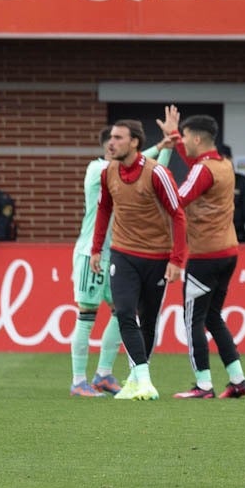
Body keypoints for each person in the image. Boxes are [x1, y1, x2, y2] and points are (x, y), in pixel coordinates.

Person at [71, 121, 174, 397]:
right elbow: (135, 162)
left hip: (117, 252)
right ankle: (78, 380)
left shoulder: (129, 173)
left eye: (117, 139)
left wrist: (168, 148)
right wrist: (158, 145)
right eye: (111, 140)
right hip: (89, 253)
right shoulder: (98, 169)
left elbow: (151, 172)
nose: (112, 144)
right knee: (86, 315)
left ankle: (104, 373)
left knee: (122, 313)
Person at [169, 112, 245, 400]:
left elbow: (177, 199)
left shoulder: (203, 170)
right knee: (213, 316)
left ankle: (203, 385)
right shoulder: (223, 164)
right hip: (228, 251)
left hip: (205, 255)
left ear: (196, 138)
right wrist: (176, 139)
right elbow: (196, 167)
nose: (185, 146)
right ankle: (238, 379)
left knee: (193, 319)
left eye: (185, 138)